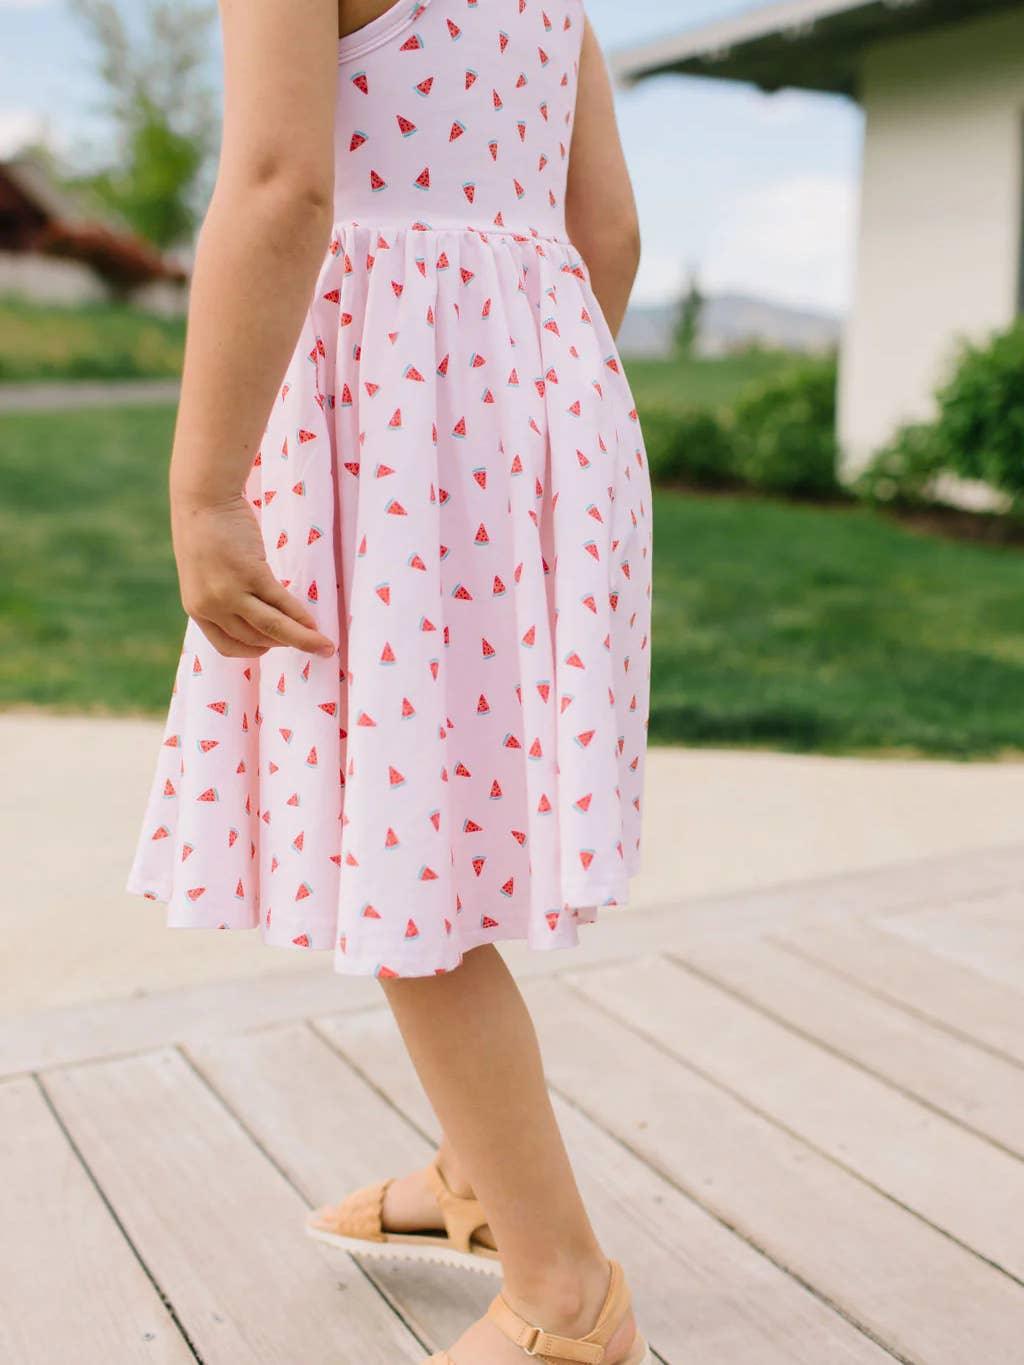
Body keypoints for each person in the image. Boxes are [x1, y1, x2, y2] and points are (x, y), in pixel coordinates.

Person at [125, 1, 653, 1360]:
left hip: (393, 417)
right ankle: (481, 1172)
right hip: (541, 404)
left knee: (405, 844)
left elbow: (282, 183)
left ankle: (562, 1288)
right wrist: (522, 386)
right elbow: (609, 232)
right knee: (450, 819)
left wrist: (205, 485)